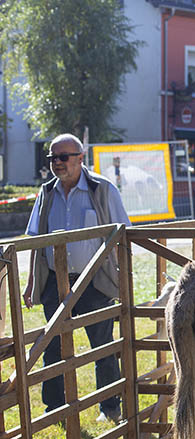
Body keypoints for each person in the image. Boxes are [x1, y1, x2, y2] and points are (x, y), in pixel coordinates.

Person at [23, 133, 131, 422]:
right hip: (56, 283)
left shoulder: (102, 189)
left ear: (80, 158)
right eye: (52, 158)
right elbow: (35, 239)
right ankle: (55, 408)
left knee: (103, 347)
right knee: (52, 347)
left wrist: (122, 280)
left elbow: (123, 235)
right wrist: (32, 283)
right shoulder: (46, 192)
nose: (57, 163)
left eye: (63, 157)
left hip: (94, 281)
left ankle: (109, 408)